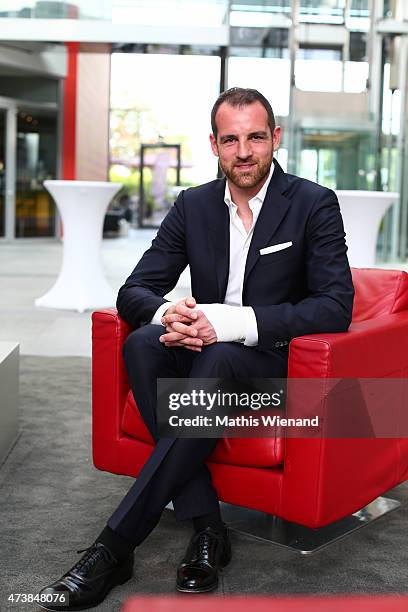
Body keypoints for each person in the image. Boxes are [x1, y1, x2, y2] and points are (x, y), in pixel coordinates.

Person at [38, 88, 354, 610]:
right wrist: (173, 315)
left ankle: (115, 547)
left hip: (276, 367)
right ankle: (209, 526)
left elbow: (334, 306)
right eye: (231, 140)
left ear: (275, 138)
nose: (244, 151)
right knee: (143, 344)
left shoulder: (313, 203)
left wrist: (227, 322)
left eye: (256, 137)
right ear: (214, 144)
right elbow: (134, 290)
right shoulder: (194, 204)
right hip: (208, 360)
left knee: (221, 353)